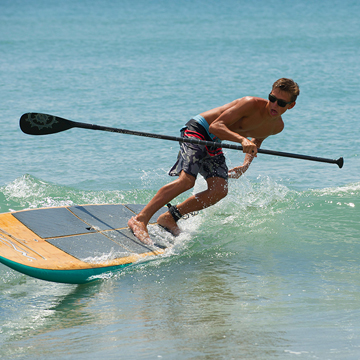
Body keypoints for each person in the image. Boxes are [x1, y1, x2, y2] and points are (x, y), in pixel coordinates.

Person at [128, 78, 300, 244]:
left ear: (291, 106)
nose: (274, 105)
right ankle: (140, 219)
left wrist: (245, 165)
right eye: (272, 98)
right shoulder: (250, 103)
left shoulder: (277, 127)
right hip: (198, 129)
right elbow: (215, 126)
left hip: (214, 141)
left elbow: (256, 142)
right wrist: (241, 140)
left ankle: (170, 217)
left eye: (281, 103)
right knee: (186, 181)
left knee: (219, 190)